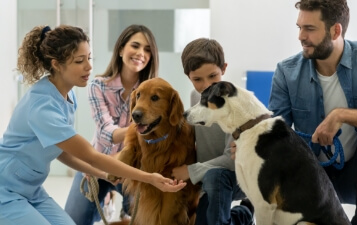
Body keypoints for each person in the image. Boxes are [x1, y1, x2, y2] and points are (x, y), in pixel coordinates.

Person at [0, 25, 186, 225]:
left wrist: (104, 174)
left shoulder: (67, 95)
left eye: (89, 58)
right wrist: (150, 178)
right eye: (79, 61)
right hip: (6, 190)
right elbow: (92, 155)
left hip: (33, 190)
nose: (89, 66)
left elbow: (59, 150)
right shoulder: (42, 107)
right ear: (56, 64)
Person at [268, 0, 357, 224]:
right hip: (311, 174)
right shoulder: (286, 72)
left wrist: (340, 115)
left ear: (335, 30)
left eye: (309, 29)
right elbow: (277, 133)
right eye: (299, 27)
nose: (300, 36)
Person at [64, 24, 159, 224]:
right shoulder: (98, 86)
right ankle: (108, 202)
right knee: (72, 220)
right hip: (96, 165)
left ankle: (122, 208)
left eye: (147, 50)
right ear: (121, 49)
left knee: (141, 217)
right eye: (136, 46)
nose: (141, 53)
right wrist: (143, 126)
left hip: (132, 168)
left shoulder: (153, 92)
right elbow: (107, 132)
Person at [172, 38, 254, 225]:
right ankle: (244, 215)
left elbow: (230, 160)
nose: (207, 86)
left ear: (223, 69)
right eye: (197, 79)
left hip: (235, 178)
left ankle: (246, 211)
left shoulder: (236, 103)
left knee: (215, 178)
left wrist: (191, 171)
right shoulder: (195, 97)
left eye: (213, 76)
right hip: (207, 181)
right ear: (188, 77)